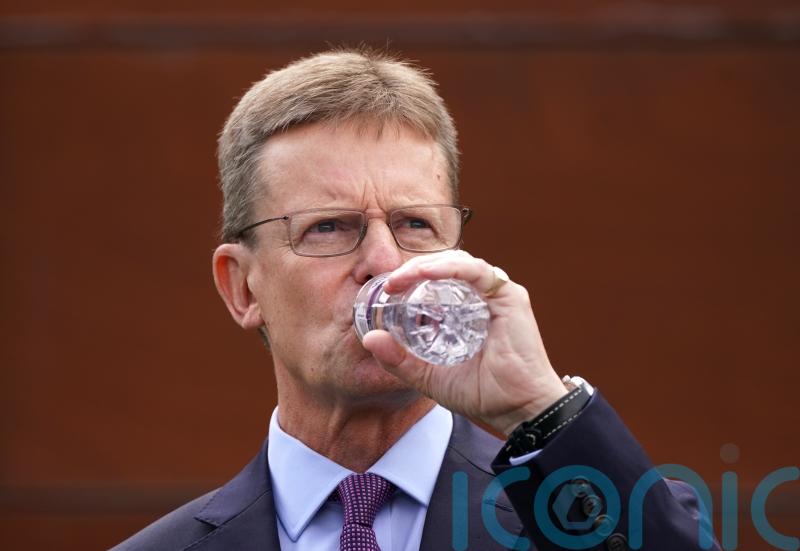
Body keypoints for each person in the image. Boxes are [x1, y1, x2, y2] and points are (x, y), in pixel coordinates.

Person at [113, 48, 720, 551]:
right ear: (243, 287)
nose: (385, 263)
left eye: (415, 226)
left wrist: (540, 410)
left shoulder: (588, 513)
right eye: (329, 227)